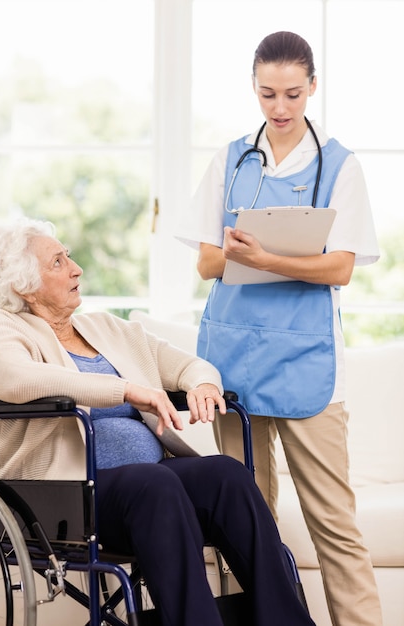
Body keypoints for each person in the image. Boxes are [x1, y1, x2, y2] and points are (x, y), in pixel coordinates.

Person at [0, 218, 315, 626]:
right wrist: (124, 390)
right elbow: (19, 378)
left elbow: (189, 365)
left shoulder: (105, 327)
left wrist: (203, 385)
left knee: (226, 475)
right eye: (58, 262)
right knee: (153, 482)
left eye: (68, 256)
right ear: (23, 285)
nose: (76, 268)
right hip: (62, 496)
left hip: (150, 488)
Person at [176, 31, 383, 626]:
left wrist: (264, 258)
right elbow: (207, 262)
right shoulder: (232, 158)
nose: (280, 107)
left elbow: (339, 268)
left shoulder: (340, 165)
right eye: (268, 93)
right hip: (235, 360)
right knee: (248, 519)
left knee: (333, 524)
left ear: (312, 87)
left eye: (293, 93)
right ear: (254, 87)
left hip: (309, 365)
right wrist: (261, 256)